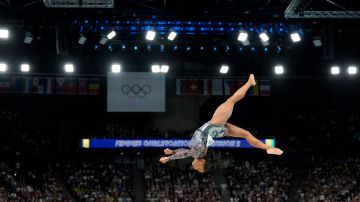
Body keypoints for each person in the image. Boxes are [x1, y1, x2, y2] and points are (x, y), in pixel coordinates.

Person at [159, 74, 283, 172]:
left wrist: (172, 152)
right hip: (214, 125)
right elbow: (185, 153)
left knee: (246, 134)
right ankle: (250, 83)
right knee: (231, 100)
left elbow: (184, 151)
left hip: (218, 132)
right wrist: (169, 158)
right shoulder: (197, 154)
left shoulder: (197, 154)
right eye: (198, 168)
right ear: (203, 162)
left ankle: (269, 148)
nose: (195, 167)